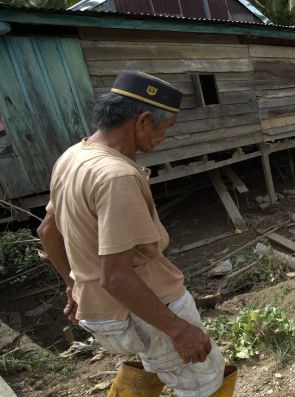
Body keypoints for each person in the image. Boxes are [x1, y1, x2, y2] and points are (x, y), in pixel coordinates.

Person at [37, 70, 235, 397]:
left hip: (104, 311)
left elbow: (47, 231)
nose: (163, 138)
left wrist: (74, 285)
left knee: (154, 361)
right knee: (206, 382)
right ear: (143, 120)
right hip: (145, 306)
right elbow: (115, 276)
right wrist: (178, 329)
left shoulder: (73, 156)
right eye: (165, 128)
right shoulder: (117, 176)